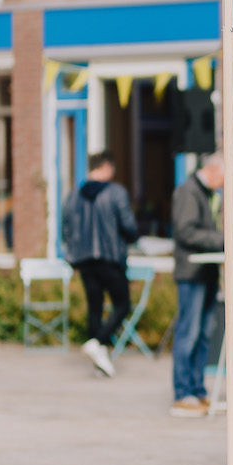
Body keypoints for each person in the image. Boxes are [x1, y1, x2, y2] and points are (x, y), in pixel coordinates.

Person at [62, 151, 139, 377]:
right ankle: (99, 343)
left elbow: (66, 227)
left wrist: (74, 252)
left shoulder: (75, 194)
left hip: (84, 259)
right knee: (122, 305)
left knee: (94, 306)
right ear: (106, 167)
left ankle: (99, 363)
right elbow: (129, 227)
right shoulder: (116, 193)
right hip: (110, 257)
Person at [169, 152, 226, 417]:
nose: (225, 184)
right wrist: (223, 240)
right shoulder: (189, 192)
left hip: (206, 273)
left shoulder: (207, 194)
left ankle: (197, 389)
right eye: (226, 178)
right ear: (215, 169)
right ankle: (183, 393)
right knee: (188, 333)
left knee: (203, 335)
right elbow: (186, 231)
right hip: (192, 273)